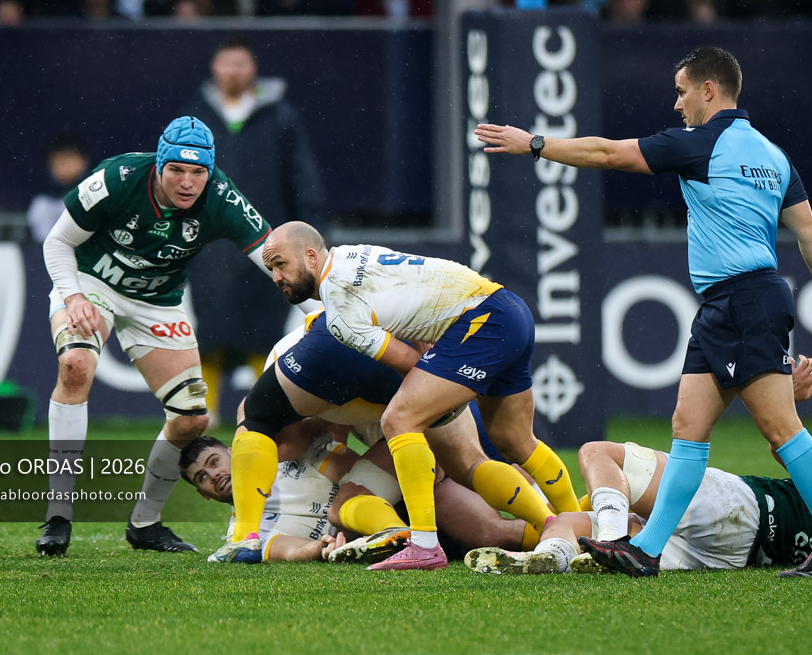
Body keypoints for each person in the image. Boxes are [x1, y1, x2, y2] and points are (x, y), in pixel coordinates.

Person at [474, 46, 812, 578]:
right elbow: (808, 231)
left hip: (741, 301)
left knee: (782, 430)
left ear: (709, 90)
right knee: (687, 427)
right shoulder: (771, 154)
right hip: (736, 301)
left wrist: (535, 143)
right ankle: (646, 550)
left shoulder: (702, 143)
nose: (677, 104)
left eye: (682, 91)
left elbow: (605, 154)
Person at [237, 221, 581, 571]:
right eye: (271, 269)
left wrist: (442, 398)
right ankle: (581, 527)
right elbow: (414, 311)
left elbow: (407, 362)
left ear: (311, 256)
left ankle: (425, 545)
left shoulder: (340, 311)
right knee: (515, 440)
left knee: (399, 419)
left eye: (281, 264)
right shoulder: (357, 253)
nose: (276, 277)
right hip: (509, 308)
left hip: (479, 325)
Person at [35, 115, 283, 557]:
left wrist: (321, 309)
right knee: (76, 365)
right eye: (177, 171)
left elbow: (275, 258)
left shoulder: (221, 196)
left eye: (198, 173)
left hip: (157, 302)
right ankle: (58, 514)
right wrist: (73, 298)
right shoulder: (116, 179)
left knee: (192, 420)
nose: (188, 183)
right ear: (159, 165)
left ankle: (144, 524)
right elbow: (57, 243)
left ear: (210, 171)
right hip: (92, 284)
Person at [209, 309, 555, 564]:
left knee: (468, 473)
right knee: (485, 503)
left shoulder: (286, 398)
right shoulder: (303, 419)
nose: (280, 456)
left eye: (212, 464)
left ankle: (412, 540)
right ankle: (568, 523)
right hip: (433, 399)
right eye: (203, 479)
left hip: (427, 407)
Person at [467, 355, 812, 575]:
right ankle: (551, 557)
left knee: (599, 453)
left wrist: (789, 402)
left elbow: (801, 453)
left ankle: (611, 539)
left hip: (744, 507)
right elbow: (806, 460)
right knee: (569, 524)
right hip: (737, 556)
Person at [179, 36, 326, 422]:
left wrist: (311, 230)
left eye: (240, 63)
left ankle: (263, 410)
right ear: (215, 68)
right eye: (226, 63)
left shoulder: (281, 116)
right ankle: (202, 412)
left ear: (253, 69)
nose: (232, 71)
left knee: (265, 326)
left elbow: (302, 178)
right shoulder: (195, 118)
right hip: (208, 241)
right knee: (208, 326)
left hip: (267, 236)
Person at [181, 423, 530, 564]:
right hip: (374, 531)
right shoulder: (242, 536)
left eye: (214, 462)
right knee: (494, 534)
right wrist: (316, 549)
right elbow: (288, 551)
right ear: (204, 495)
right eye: (202, 477)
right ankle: (574, 527)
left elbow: (354, 467)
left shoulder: (288, 460)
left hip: (405, 494)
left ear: (234, 451)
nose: (214, 475)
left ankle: (400, 532)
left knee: (342, 504)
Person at [27, 133, 90, 242]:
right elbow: (42, 242)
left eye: (68, 158)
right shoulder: (43, 202)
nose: (63, 164)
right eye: (58, 160)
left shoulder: (96, 192)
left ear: (82, 161)